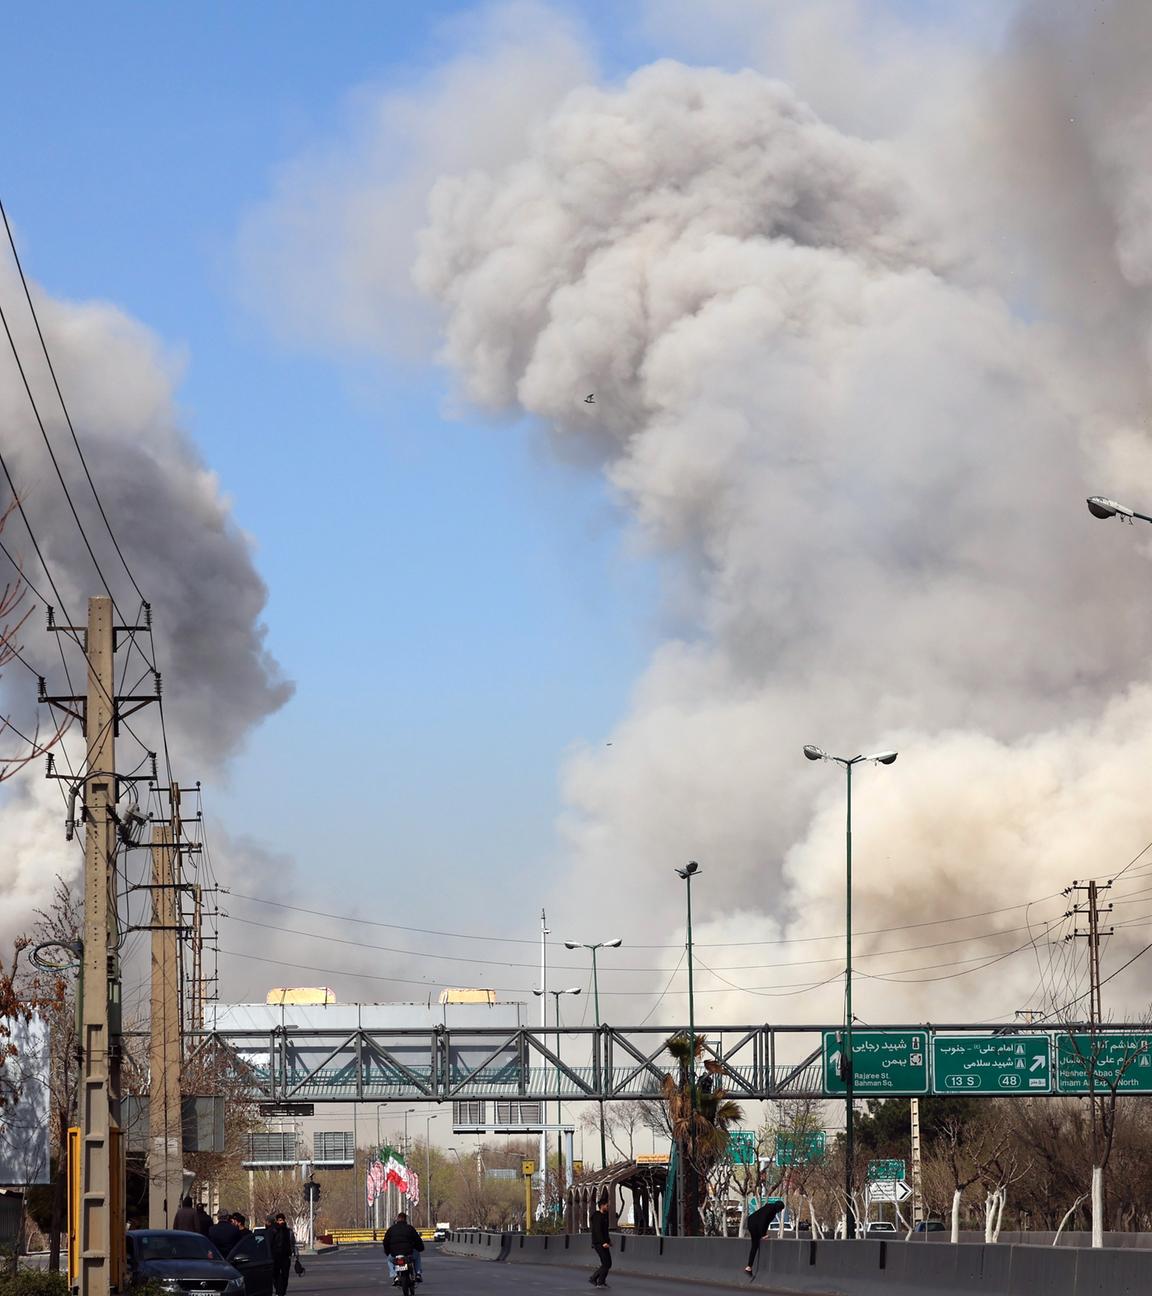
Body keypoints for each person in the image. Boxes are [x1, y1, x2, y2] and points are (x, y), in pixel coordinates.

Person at [743, 1200, 784, 1275]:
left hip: (752, 1223)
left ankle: (749, 1267)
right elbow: (763, 1221)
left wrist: (764, 1234)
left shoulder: (771, 1209)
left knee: (755, 1245)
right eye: (781, 1209)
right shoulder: (770, 1209)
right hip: (754, 1224)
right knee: (755, 1244)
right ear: (778, 1208)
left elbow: (766, 1223)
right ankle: (749, 1266)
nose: (780, 1211)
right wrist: (763, 1234)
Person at [383, 1212, 424, 1285]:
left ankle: (395, 1276)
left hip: (395, 1254)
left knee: (389, 1260)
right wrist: (420, 1248)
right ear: (405, 1219)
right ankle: (418, 1274)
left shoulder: (391, 1229)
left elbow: (385, 1242)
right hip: (408, 1253)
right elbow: (417, 1240)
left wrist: (387, 1252)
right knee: (417, 1255)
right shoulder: (410, 1228)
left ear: (397, 1219)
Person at [267, 1212, 297, 1296]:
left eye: (282, 1220)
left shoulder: (288, 1231)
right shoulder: (272, 1231)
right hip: (275, 1257)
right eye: (280, 1220)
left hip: (285, 1257)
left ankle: (282, 1292)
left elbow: (292, 1243)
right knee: (275, 1275)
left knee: (285, 1276)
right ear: (276, 1221)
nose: (281, 1222)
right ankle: (278, 1290)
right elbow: (269, 1243)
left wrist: (295, 1254)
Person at [589, 1197, 612, 1288]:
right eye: (607, 1205)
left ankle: (597, 1279)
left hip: (604, 1243)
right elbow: (597, 1231)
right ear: (602, 1206)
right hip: (598, 1243)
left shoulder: (605, 1216)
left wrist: (609, 1241)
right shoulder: (597, 1217)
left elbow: (605, 1231)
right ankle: (597, 1280)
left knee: (608, 1263)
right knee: (606, 1263)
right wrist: (603, 1242)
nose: (608, 1207)